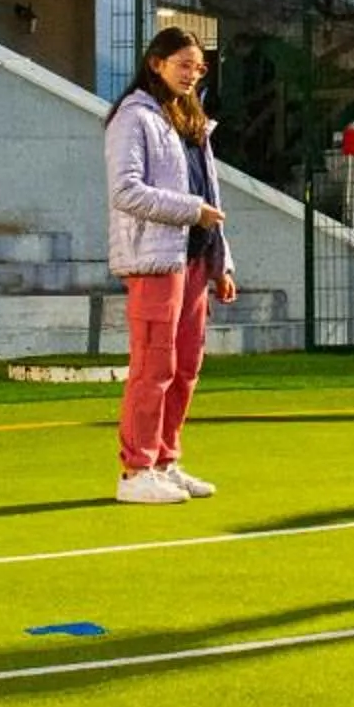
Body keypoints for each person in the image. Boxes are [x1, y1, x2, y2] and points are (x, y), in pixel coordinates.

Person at [106, 26, 240, 506]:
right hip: (156, 259)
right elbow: (126, 191)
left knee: (185, 366)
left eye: (198, 67)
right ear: (156, 63)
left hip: (196, 259)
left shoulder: (189, 118)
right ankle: (135, 470)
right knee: (153, 366)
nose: (191, 74)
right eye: (183, 64)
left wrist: (222, 260)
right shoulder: (133, 117)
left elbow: (211, 191)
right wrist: (190, 210)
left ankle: (165, 460)